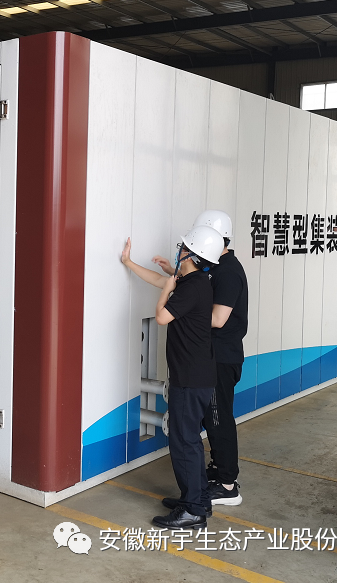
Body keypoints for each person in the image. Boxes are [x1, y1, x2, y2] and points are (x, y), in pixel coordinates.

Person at [121, 226, 223, 530]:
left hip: (190, 379)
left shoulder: (190, 287)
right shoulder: (195, 281)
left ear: (191, 255)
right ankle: (198, 498)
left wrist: (167, 289)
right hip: (196, 375)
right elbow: (159, 279)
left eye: (183, 248)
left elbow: (162, 316)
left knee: (183, 441)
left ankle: (193, 510)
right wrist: (129, 262)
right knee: (188, 440)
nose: (179, 251)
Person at [154, 211, 248, 508]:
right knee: (209, 420)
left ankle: (227, 484)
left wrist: (185, 308)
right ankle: (215, 477)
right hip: (207, 357)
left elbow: (217, 319)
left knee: (218, 421)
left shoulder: (228, 272)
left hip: (220, 358)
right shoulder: (213, 268)